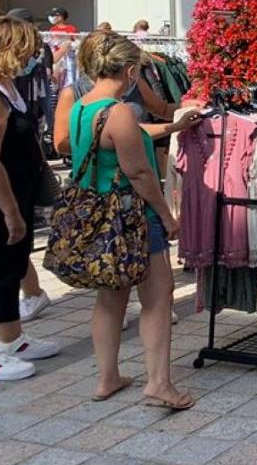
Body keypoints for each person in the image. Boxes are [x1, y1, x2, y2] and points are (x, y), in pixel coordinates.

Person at [68, 32, 196, 406]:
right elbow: (140, 173)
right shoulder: (120, 110)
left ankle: (107, 378)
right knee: (159, 296)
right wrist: (167, 216)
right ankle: (159, 382)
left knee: (110, 297)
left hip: (97, 214)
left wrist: (174, 127)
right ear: (129, 70)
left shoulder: (84, 106)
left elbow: (130, 136)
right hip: (130, 214)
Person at [0, 16, 60, 380]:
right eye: (28, 48)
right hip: (0, 202)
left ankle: (11, 337)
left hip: (17, 193)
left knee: (13, 266)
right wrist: (10, 212)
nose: (35, 55)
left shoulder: (9, 89)